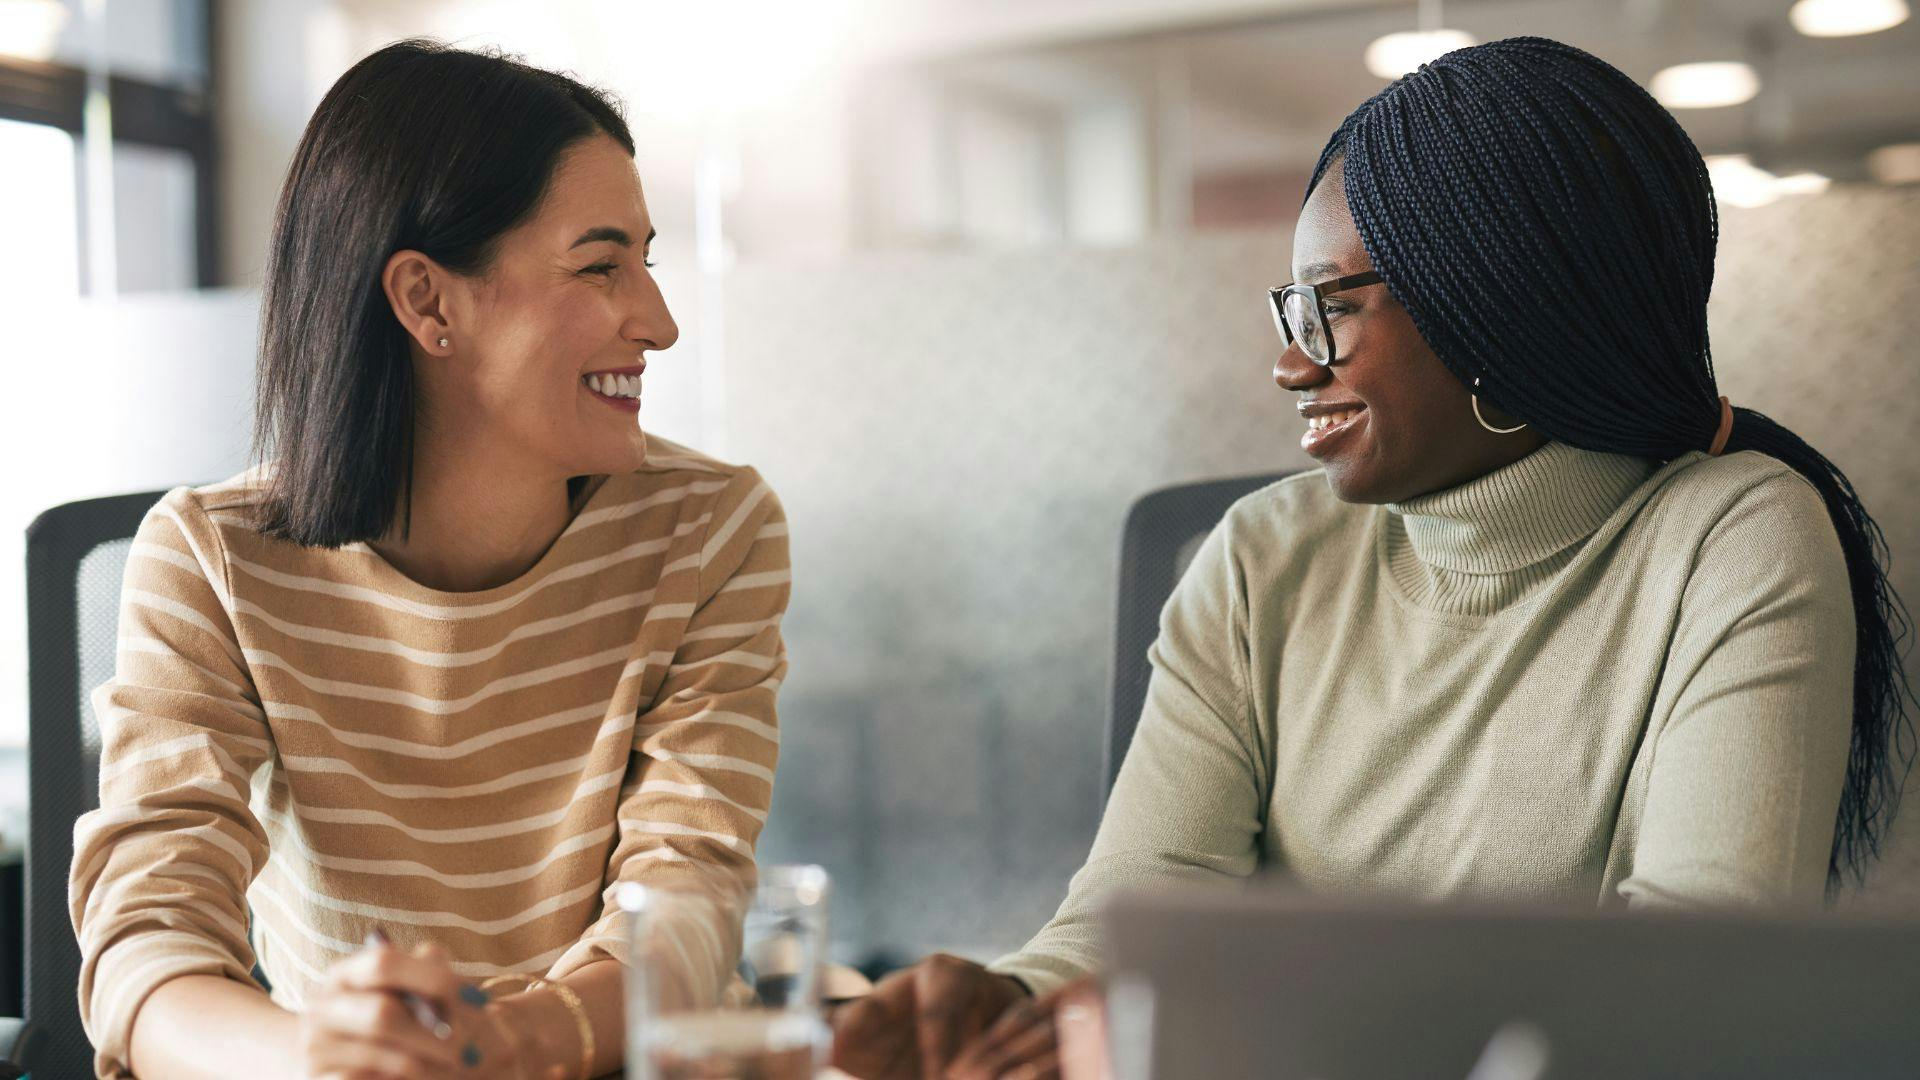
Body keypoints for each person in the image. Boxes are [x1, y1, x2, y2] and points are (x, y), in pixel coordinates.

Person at [831, 36, 1914, 1080]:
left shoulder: (1734, 540)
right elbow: (1142, 903)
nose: (1293, 368)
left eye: (1334, 308)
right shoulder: (1260, 556)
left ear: (1496, 302)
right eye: (1295, 311)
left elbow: (1686, 996)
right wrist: (1010, 1009)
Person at [68, 41, 791, 1080]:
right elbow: (147, 940)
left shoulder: (712, 530)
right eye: (600, 265)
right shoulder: (211, 561)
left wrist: (507, 1044)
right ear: (428, 303)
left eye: (646, 259)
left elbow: (690, 898)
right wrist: (321, 1060)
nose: (660, 322)